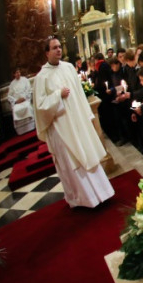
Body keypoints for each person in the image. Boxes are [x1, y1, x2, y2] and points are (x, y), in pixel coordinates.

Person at [33, 37, 115, 208]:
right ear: (46, 52)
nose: (58, 50)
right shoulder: (41, 77)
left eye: (59, 47)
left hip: (77, 121)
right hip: (61, 128)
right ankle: (82, 199)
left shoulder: (69, 68)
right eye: (54, 48)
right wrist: (58, 95)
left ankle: (103, 192)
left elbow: (79, 94)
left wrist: (86, 116)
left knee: (87, 154)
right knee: (72, 162)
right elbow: (40, 107)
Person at [7, 68, 35, 135]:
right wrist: (16, 101)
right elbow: (9, 96)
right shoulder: (12, 84)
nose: (18, 74)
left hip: (25, 100)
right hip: (17, 103)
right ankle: (21, 130)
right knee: (15, 110)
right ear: (14, 74)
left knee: (27, 107)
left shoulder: (25, 80)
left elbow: (29, 90)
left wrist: (24, 98)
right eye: (16, 73)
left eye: (19, 72)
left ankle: (31, 127)